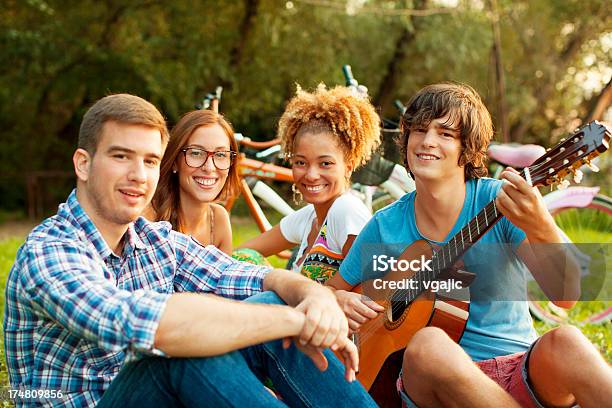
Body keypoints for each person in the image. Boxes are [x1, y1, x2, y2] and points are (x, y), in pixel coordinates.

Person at [3, 93, 377, 408]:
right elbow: (153, 327)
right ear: (83, 164)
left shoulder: (153, 239)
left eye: (149, 161)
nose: (138, 174)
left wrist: (315, 296)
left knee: (270, 301)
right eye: (121, 156)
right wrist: (297, 320)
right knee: (176, 356)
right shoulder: (49, 252)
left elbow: (244, 273)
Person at [326, 83, 612, 407]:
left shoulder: (498, 201)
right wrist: (338, 299)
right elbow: (329, 290)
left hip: (518, 370)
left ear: (467, 149)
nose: (428, 141)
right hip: (437, 382)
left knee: (566, 341)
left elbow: (566, 296)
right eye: (419, 130)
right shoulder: (385, 225)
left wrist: (540, 224)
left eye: (445, 134)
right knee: (428, 345)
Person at [239, 85, 381, 284]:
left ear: (348, 167)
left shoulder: (346, 209)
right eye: (301, 163)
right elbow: (243, 253)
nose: (311, 175)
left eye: (325, 163)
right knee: (245, 258)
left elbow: (375, 287)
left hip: (326, 314)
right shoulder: (308, 217)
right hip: (294, 311)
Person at [146, 109, 238, 254]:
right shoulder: (148, 217)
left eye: (221, 154)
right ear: (175, 161)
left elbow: (224, 277)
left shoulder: (218, 219)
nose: (209, 167)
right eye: (196, 153)